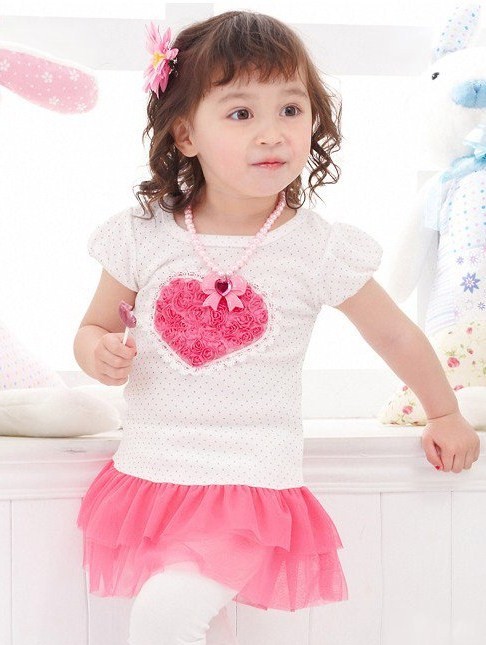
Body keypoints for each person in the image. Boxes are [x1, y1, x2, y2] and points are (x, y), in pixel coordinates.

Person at [73, 10, 480, 645]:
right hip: (155, 471)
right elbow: (93, 326)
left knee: (167, 615)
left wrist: (445, 412)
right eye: (241, 113)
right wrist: (97, 351)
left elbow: (394, 333)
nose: (272, 133)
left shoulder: (316, 248)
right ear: (185, 134)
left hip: (249, 480)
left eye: (291, 109)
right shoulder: (144, 234)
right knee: (199, 622)